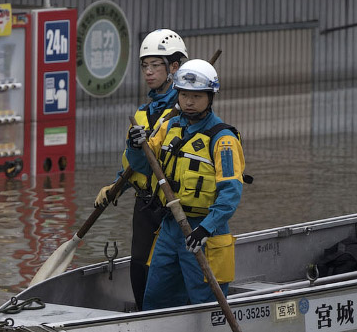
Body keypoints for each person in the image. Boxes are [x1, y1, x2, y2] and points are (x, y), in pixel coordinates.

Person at [125, 59, 245, 310]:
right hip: (170, 227)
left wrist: (206, 229)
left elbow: (230, 194)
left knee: (207, 303)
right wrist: (135, 146)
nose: (189, 101)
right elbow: (143, 166)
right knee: (156, 298)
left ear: (210, 97)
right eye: (184, 95)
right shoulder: (168, 127)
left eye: (196, 96)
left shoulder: (223, 139)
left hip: (203, 233)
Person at [95, 29, 188, 310]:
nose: (148, 72)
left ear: (174, 67)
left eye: (155, 65)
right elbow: (133, 165)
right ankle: (144, 318)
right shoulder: (142, 114)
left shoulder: (185, 108)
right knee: (138, 269)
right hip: (145, 205)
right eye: (144, 66)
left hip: (172, 204)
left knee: (163, 271)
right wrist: (115, 186)